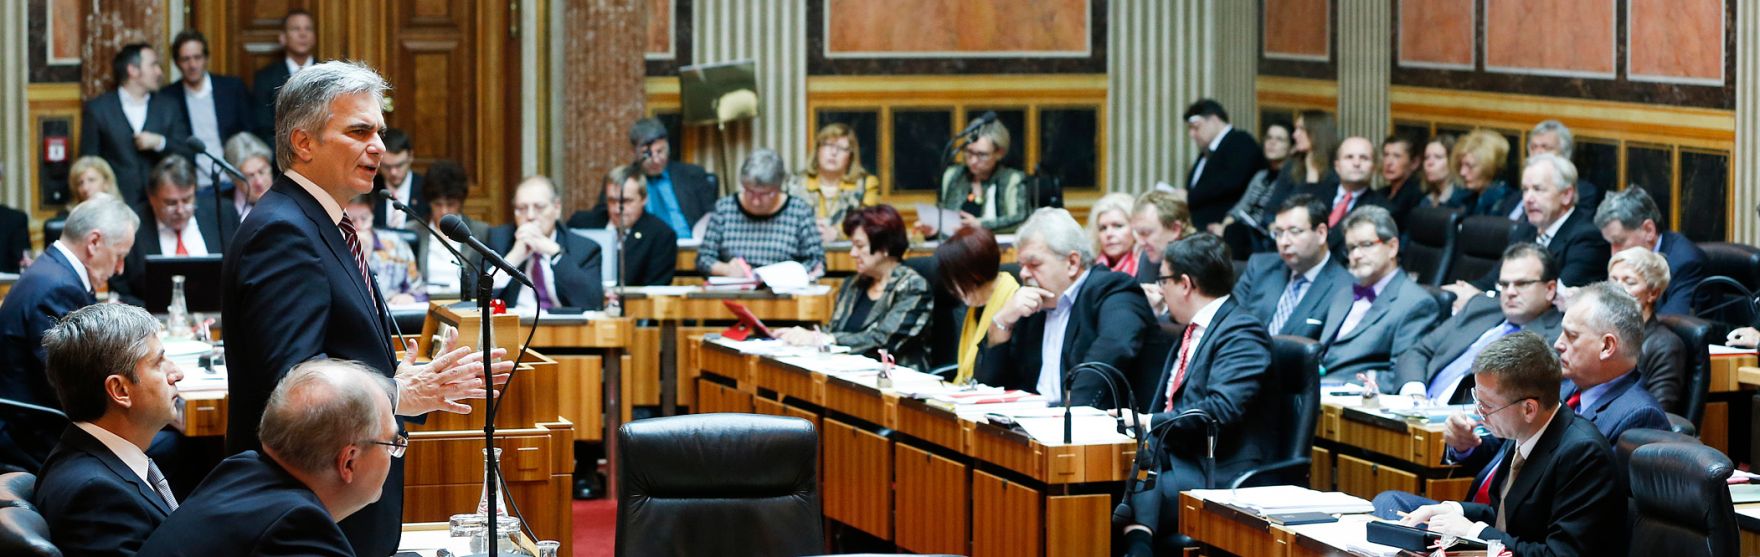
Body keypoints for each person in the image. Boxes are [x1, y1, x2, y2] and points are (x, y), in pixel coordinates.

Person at [221, 60, 510, 557]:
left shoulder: (320, 223)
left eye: (378, 129)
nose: (377, 145)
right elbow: (293, 386)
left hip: (335, 501)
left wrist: (406, 379)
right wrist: (397, 392)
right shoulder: (283, 233)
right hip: (305, 510)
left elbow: (342, 349)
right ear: (302, 142)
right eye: (358, 131)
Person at [136, 360, 400, 557]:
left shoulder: (239, 470)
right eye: (391, 443)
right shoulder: (297, 529)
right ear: (349, 462)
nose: (394, 453)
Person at [1397, 332, 1626, 556]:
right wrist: (1450, 510)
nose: (1479, 413)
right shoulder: (1524, 428)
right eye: (1477, 400)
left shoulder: (1583, 454)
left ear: (1528, 409)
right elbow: (1505, 515)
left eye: (1487, 406)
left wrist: (1473, 531)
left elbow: (1560, 553)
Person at [1121, 233, 1273, 555]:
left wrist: (1150, 423)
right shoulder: (1192, 329)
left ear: (1185, 284)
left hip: (1216, 467)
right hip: (1173, 457)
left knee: (1116, 491)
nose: (1161, 290)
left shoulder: (1242, 332)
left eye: (1163, 281)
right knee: (1119, 472)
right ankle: (1140, 540)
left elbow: (1220, 410)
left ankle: (1139, 540)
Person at [32, 303, 182, 557]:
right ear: (120, 391)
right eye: (159, 363)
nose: (176, 373)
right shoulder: (96, 496)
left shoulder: (91, 460)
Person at [0, 198, 138, 472]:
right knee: (176, 445)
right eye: (120, 255)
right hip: (37, 435)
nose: (120, 268)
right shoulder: (58, 287)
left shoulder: (53, 272)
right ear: (94, 242)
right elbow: (75, 386)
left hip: (34, 424)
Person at [976, 208, 1154, 408]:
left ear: (1072, 262)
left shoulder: (1114, 290)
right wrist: (1002, 321)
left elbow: (1113, 349)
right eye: (1021, 265)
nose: (1024, 273)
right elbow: (987, 386)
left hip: (1087, 429)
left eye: (1034, 264)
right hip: (1029, 425)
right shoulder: (1032, 304)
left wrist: (1065, 417)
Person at [1393, 243, 1565, 400]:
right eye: (1504, 284)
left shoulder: (1556, 338)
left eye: (1521, 284)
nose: (1510, 292)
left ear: (1550, 289)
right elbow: (1419, 351)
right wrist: (1414, 393)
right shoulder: (1479, 307)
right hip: (1415, 406)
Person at [777, 205, 932, 370]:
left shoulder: (913, 287)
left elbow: (884, 341)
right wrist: (806, 337)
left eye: (859, 246)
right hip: (845, 373)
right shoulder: (853, 283)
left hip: (894, 378)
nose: (852, 253)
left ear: (884, 247)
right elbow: (833, 330)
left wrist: (830, 339)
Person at [1453, 154, 1611, 297]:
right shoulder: (1525, 230)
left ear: (1566, 195)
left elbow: (1552, 297)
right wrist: (1462, 291)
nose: (1528, 199)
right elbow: (1493, 279)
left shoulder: (1588, 237)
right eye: (1525, 190)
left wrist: (1478, 297)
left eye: (1538, 189)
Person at [1316, 206, 1440, 387]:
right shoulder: (1343, 294)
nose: (1356, 255)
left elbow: (1401, 375)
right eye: (1351, 248)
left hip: (1352, 400)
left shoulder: (1417, 304)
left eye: (1366, 245)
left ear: (1392, 247)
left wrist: (1345, 388)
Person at [110, 155, 239, 304]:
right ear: (152, 198)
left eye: (187, 200)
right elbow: (120, 292)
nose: (180, 210)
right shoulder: (130, 227)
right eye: (171, 203)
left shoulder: (222, 213)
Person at [81, 42, 190, 204]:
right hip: (116, 203)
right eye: (153, 65)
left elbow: (187, 152)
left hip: (162, 202)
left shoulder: (169, 106)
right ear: (133, 70)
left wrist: (160, 142)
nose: (159, 72)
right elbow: (89, 162)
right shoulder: (98, 109)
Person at [1232, 195, 1352, 339]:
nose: (1284, 242)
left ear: (1321, 233)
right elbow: (1229, 322)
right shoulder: (1260, 267)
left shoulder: (1345, 288)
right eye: (1278, 233)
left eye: (1294, 231)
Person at [697, 148, 825, 277]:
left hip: (783, 290)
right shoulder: (724, 208)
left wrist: (786, 275)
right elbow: (704, 259)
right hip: (734, 290)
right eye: (750, 191)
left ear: (778, 187)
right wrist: (726, 269)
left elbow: (817, 262)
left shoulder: (799, 211)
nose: (755, 201)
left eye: (765, 194)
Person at [487, 176, 604, 310]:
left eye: (539, 207)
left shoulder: (584, 248)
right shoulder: (499, 240)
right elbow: (474, 299)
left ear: (557, 208)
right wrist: (513, 258)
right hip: (516, 326)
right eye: (522, 208)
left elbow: (592, 302)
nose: (530, 216)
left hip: (565, 328)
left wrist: (556, 254)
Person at [161, 30, 255, 190]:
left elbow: (249, 133)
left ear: (205, 58)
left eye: (197, 57)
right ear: (176, 63)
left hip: (234, 181)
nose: (192, 65)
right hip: (192, 185)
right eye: (185, 59)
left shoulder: (231, 88)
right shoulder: (167, 97)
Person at [593, 117, 716, 239]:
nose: (656, 160)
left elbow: (713, 214)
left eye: (660, 151)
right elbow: (604, 215)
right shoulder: (623, 180)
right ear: (633, 152)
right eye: (647, 154)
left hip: (689, 248)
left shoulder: (692, 175)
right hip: (645, 249)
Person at [1595, 187, 1706, 317]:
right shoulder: (1623, 263)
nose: (1614, 253)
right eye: (1610, 243)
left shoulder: (1687, 263)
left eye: (1619, 241)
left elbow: (1672, 323)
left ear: (1648, 230)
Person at [933, 227, 1020, 385]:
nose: (952, 288)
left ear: (973, 274)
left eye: (955, 279)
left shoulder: (1014, 305)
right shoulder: (974, 306)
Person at [567, 164, 678, 286]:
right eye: (611, 201)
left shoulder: (661, 236)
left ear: (644, 199)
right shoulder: (581, 224)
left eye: (627, 201)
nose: (617, 209)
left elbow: (654, 290)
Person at [1608, 248, 1689, 414]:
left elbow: (1656, 414)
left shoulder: (1666, 346)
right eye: (1613, 280)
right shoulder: (1603, 334)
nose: (1616, 289)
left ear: (1653, 293)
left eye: (1629, 282)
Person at [925, 120, 1028, 235]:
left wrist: (980, 225)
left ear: (1000, 153)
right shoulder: (953, 175)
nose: (973, 160)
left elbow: (1020, 219)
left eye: (982, 155)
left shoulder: (1012, 179)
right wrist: (932, 229)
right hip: (955, 248)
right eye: (969, 152)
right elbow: (942, 219)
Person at [1182, 99, 1267, 228]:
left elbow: (1230, 181)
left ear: (1214, 120)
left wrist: (1190, 196)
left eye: (1196, 127)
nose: (1192, 134)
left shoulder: (1240, 141)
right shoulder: (1206, 153)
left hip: (1225, 226)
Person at [406, 160, 486, 297]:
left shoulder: (480, 231)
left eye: (451, 204)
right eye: (438, 204)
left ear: (461, 202)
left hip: (466, 307)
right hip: (425, 306)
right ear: (429, 202)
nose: (444, 211)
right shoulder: (413, 231)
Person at [788, 123, 878, 242]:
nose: (834, 153)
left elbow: (868, 223)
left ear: (851, 155)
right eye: (828, 145)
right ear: (817, 150)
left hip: (849, 256)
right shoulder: (794, 183)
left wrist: (838, 233)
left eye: (841, 148)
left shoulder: (867, 184)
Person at [1303, 136, 1388, 258]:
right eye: (1349, 157)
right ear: (1337, 166)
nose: (1356, 163)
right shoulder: (1315, 194)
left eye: (1364, 158)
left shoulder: (1381, 209)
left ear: (1374, 167)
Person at [1215, 118, 1290, 253]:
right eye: (1269, 138)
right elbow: (1241, 207)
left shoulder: (1290, 179)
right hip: (1242, 230)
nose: (1272, 143)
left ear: (1291, 147)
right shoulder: (1261, 175)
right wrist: (1224, 226)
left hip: (1265, 237)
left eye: (1279, 139)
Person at [1259, 110, 1338, 226]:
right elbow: (1271, 209)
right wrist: (1274, 227)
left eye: (1301, 129)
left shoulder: (1335, 168)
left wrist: (1312, 174)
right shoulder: (1292, 165)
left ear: (1317, 132)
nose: (1294, 135)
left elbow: (1320, 212)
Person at [346, 194, 424, 305]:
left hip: (394, 315)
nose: (359, 226)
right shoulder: (336, 247)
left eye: (364, 218)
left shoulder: (396, 244)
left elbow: (420, 291)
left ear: (372, 216)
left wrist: (410, 297)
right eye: (352, 221)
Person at [252, 9, 317, 142]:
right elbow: (263, 127)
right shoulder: (265, 78)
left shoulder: (331, 75)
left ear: (314, 37)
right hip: (282, 154)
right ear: (283, 38)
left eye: (308, 29)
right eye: (295, 29)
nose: (303, 34)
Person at [1527, 120, 1602, 218]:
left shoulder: (1583, 193)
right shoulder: (1519, 194)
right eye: (1533, 147)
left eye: (1546, 148)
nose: (1538, 153)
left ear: (1565, 154)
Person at [1131, 190, 1192, 285]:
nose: (1141, 242)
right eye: (1138, 234)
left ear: (1175, 229)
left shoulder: (1201, 262)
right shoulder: (1147, 258)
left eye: (1146, 233)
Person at [371, 128, 423, 228]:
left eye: (399, 165)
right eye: (386, 166)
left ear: (410, 157)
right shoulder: (370, 188)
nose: (393, 172)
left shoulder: (425, 188)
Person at [1454, 130, 1514, 217]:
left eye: (1469, 166)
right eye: (1461, 165)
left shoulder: (1505, 204)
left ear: (1489, 168)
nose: (1462, 172)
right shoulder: (1463, 199)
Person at [1379, 133, 1426, 229]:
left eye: (1397, 156)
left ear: (1414, 163)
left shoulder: (1417, 195)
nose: (1389, 162)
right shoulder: (1381, 193)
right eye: (1386, 155)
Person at [1087, 193, 1140, 278]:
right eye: (1103, 228)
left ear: (1135, 228)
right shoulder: (1089, 268)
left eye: (1118, 226)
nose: (1109, 234)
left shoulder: (1148, 265)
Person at [1416, 134, 1469, 210]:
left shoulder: (1462, 200)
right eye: (1427, 157)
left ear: (1452, 161)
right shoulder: (1425, 201)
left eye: (1438, 157)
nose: (1430, 163)